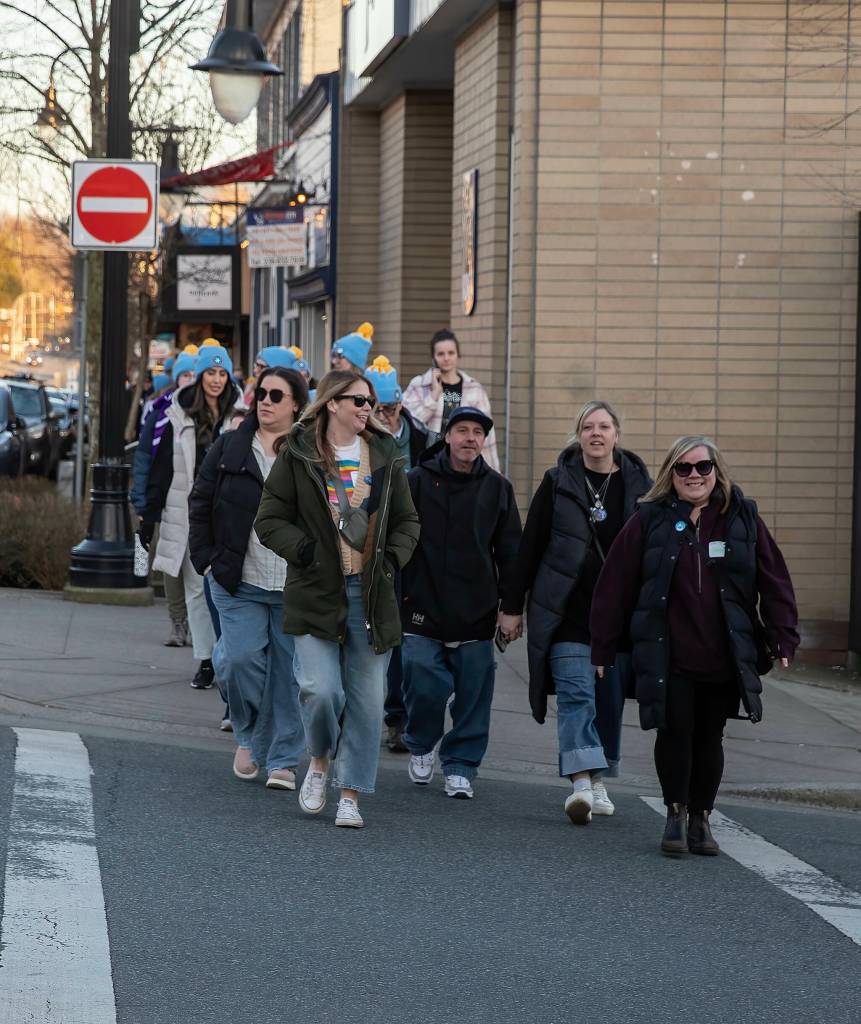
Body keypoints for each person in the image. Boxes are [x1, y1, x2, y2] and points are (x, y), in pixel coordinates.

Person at [590, 435, 799, 857]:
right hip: (668, 651)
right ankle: (674, 812)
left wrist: (782, 634)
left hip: (724, 651)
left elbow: (773, 578)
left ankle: (702, 816)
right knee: (674, 732)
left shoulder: (742, 516)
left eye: (702, 467)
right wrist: (603, 647)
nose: (694, 476)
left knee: (710, 737)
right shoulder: (649, 518)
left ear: (716, 471)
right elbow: (614, 583)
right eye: (683, 468)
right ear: (671, 474)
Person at [255, 370, 420, 828]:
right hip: (315, 591)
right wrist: (305, 551)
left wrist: (390, 562)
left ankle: (350, 794)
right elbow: (268, 519)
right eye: (358, 400)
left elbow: (408, 521)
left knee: (368, 699)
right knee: (319, 690)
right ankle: (320, 760)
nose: (368, 408)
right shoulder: (300, 453)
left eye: (370, 402)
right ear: (332, 404)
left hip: (370, 594)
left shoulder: (386, 454)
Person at [499, 401, 652, 825]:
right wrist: (512, 608)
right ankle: (581, 784)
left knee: (608, 702)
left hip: (618, 616)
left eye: (604, 426)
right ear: (579, 435)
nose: (596, 433)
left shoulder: (643, 486)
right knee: (575, 695)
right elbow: (529, 547)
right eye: (588, 427)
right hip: (566, 610)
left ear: (617, 434)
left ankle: (598, 779)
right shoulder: (558, 481)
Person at [189, 367, 309, 789]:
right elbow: (200, 501)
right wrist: (205, 558)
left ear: (296, 403)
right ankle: (247, 730)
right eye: (262, 393)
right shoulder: (230, 446)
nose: (266, 401)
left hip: (293, 585)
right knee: (237, 661)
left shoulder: (310, 453)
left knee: (289, 676)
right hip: (238, 581)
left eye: (278, 396)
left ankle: (284, 759)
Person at [400, 407, 521, 799]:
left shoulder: (498, 488)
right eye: (462, 430)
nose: (470, 438)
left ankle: (461, 765)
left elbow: (511, 553)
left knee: (474, 690)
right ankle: (421, 742)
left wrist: (511, 607)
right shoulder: (416, 481)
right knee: (421, 676)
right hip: (421, 602)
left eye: (477, 432)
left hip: (476, 607)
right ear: (447, 436)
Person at [138, 345, 241, 690]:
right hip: (187, 510)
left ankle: (229, 656)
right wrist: (147, 514)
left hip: (228, 511)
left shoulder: (240, 413)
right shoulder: (177, 414)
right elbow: (158, 467)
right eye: (210, 373)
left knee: (225, 589)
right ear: (199, 376)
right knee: (197, 588)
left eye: (222, 373)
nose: (216, 380)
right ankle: (207, 659)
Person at [365, 355, 435, 752]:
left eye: (390, 409)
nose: (384, 417)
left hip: (418, 550)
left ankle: (401, 715)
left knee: (411, 638)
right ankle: (388, 715)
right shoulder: (359, 442)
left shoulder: (424, 441)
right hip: (375, 550)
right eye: (377, 409)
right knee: (383, 635)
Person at [131, 351, 197, 647]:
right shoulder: (160, 410)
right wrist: (140, 497)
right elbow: (144, 455)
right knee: (165, 555)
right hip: (164, 495)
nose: (189, 381)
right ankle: (175, 618)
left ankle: (197, 624)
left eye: (194, 376)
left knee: (196, 566)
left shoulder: (208, 413)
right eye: (185, 375)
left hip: (196, 499)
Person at [402, 328, 499, 471]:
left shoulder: (475, 389)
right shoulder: (419, 385)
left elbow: (487, 436)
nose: (446, 358)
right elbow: (408, 424)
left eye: (451, 353)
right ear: (433, 358)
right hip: (429, 464)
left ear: (458, 355)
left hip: (464, 465)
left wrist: (494, 471)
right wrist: (433, 396)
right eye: (440, 354)